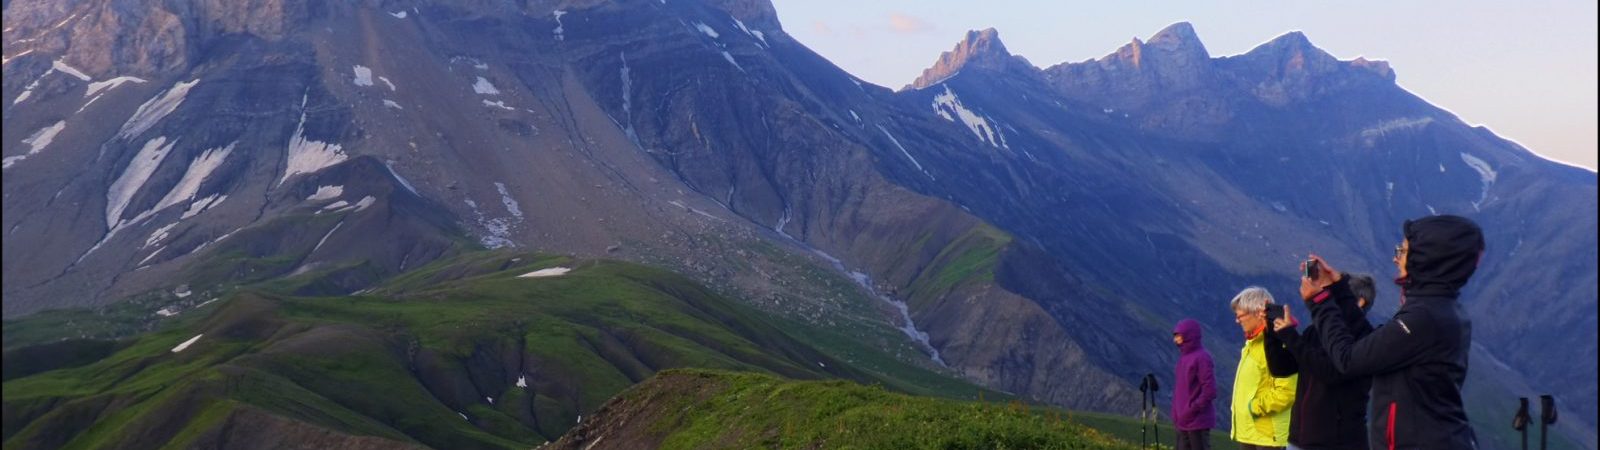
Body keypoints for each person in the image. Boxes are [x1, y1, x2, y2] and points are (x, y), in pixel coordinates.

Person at [1300, 215, 1483, 449]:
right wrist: (1340, 291)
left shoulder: (1423, 319)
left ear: (1425, 259)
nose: (1396, 258)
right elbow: (1372, 345)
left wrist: (1321, 302)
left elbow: (1348, 359)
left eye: (1403, 251)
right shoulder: (1440, 309)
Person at [1267, 274, 1377, 450]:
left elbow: (1329, 372)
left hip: (1338, 443)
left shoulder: (1364, 339)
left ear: (1359, 302)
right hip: (1298, 439)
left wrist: (1290, 336)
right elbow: (1282, 368)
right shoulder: (1315, 331)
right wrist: (1272, 332)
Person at [1228, 287, 1297, 450]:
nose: (1237, 320)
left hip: (1266, 437)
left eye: (1240, 315)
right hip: (1251, 433)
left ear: (1257, 313)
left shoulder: (1278, 344)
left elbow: (1287, 392)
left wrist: (1255, 408)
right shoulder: (1253, 344)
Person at [1174, 318, 1218, 450]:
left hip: (1197, 422)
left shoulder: (1202, 358)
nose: (1175, 339)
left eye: (1178, 335)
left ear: (1189, 335)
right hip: (1183, 422)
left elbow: (1210, 391)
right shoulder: (1184, 358)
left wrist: (1192, 410)